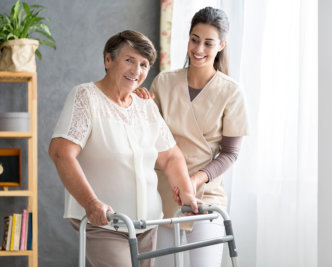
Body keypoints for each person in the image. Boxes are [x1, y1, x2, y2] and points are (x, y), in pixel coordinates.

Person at [48, 30, 198, 267]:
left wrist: (187, 192)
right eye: (129, 60)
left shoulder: (145, 105)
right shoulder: (86, 97)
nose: (136, 71)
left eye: (144, 64)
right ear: (108, 60)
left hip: (148, 223)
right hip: (104, 222)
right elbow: (60, 152)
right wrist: (91, 203)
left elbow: (170, 157)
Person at [135, 7, 249, 267]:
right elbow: (147, 137)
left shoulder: (232, 93)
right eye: (194, 39)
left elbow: (230, 153)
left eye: (208, 43)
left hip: (206, 197)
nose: (199, 49)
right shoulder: (163, 83)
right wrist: (138, 104)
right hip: (165, 196)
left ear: (221, 45)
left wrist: (195, 180)